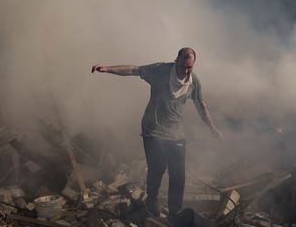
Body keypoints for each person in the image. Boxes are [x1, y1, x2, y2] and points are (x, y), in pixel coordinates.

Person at [91, 47, 223, 217]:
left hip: (176, 132)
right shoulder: (160, 70)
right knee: (157, 168)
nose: (186, 70)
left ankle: (175, 211)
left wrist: (213, 128)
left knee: (178, 175)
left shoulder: (193, 81)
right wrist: (108, 69)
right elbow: (133, 69)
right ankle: (152, 199)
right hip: (153, 130)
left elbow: (201, 106)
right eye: (183, 66)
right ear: (176, 60)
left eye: (190, 67)